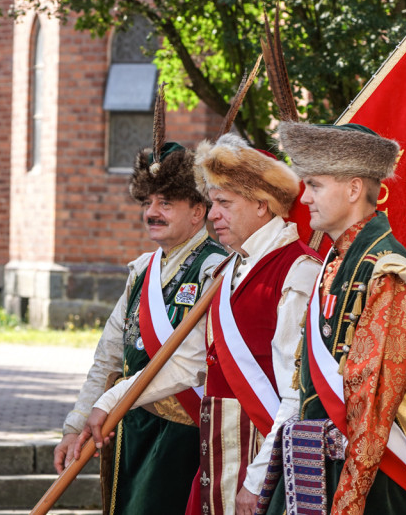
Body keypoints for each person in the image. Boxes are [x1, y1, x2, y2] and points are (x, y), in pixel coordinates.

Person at [80, 132, 322, 515]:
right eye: (212, 204)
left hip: (259, 467)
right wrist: (108, 403)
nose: (212, 215)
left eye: (224, 203)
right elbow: (187, 363)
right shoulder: (229, 271)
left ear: (263, 205)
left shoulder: (298, 271)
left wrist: (258, 480)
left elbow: (295, 396)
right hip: (217, 467)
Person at [260, 121, 406, 515]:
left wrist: (347, 502)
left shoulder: (385, 271)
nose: (305, 197)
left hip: (371, 485)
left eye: (315, 185)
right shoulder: (338, 258)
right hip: (318, 469)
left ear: (352, 189)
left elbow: (373, 407)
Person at [53, 141, 227, 515]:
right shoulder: (142, 271)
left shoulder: (218, 270)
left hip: (183, 438)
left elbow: (194, 366)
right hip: (129, 430)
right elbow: (108, 357)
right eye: (147, 202)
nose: (152, 212)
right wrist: (76, 425)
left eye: (165, 203)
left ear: (198, 211)